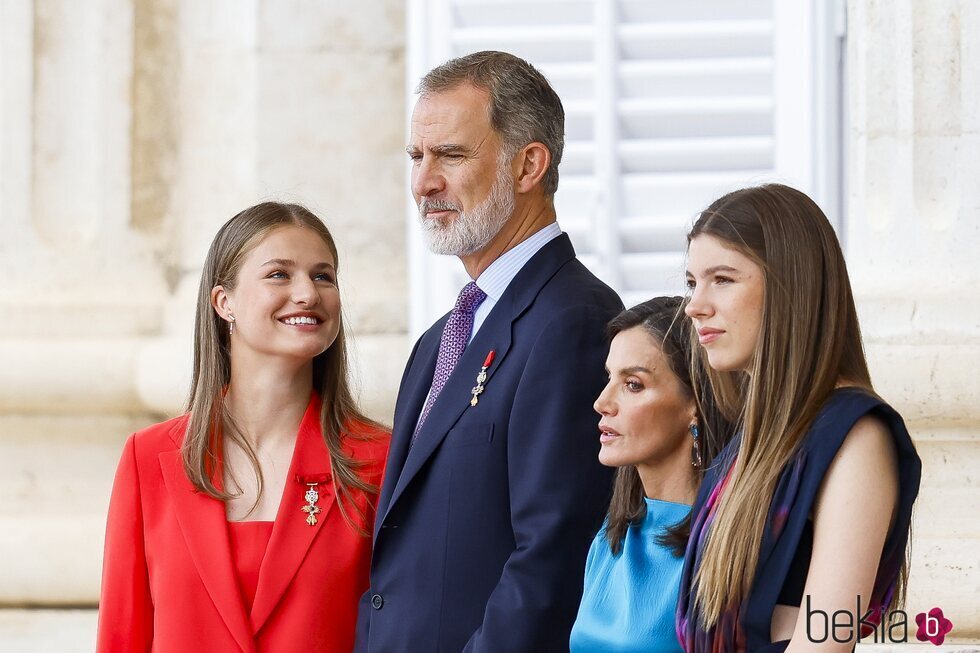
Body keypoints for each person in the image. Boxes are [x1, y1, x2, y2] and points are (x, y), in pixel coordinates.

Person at [355, 51, 623, 653]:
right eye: (416, 158)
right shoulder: (438, 340)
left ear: (528, 164)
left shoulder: (575, 321)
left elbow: (552, 558)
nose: (424, 182)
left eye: (450, 155)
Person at [96, 202, 389, 653]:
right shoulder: (147, 458)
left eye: (323, 276)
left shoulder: (379, 459)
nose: (308, 293)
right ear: (223, 302)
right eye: (279, 274)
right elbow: (122, 637)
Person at [676, 184, 922, 652]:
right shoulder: (747, 439)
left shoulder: (855, 435)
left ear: (792, 285)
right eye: (692, 282)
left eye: (722, 279)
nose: (694, 305)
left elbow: (826, 640)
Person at [570, 297, 734, 653]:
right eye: (609, 378)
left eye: (633, 384)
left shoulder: (728, 544)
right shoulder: (609, 539)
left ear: (695, 403)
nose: (601, 401)